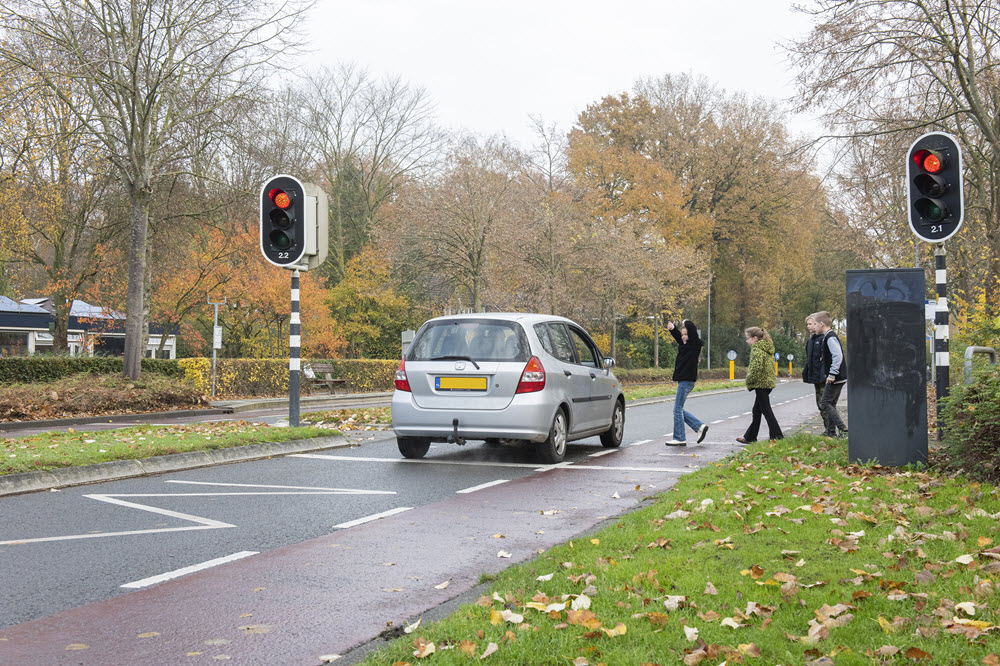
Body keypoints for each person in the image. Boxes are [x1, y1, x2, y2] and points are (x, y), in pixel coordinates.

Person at [665, 319, 708, 446]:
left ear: (692, 336)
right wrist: (673, 329)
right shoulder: (684, 345)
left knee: (677, 409)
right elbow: (679, 338)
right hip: (684, 381)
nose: (683, 337)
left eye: (686, 335)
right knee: (678, 409)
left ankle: (679, 438)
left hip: (686, 381)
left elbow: (692, 331)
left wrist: (686, 321)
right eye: (683, 334)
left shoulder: (694, 345)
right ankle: (699, 426)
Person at [736, 327, 783, 443]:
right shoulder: (768, 348)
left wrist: (749, 381)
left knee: (766, 410)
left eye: (748, 338)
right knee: (757, 410)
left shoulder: (756, 349)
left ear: (755, 338)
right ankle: (750, 437)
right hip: (768, 383)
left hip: (760, 383)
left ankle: (777, 436)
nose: (747, 341)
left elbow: (755, 368)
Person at [814, 311, 848, 438]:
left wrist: (832, 374)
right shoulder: (829, 336)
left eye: (816, 324)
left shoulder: (830, 337)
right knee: (831, 404)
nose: (814, 326)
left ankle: (843, 429)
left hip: (836, 377)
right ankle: (831, 431)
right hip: (839, 376)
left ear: (822, 324)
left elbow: (837, 356)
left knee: (825, 403)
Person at [802, 314, 827, 422]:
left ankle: (833, 429)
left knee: (825, 404)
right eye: (807, 324)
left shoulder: (824, 339)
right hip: (815, 377)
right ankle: (829, 429)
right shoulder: (811, 340)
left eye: (810, 324)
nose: (808, 326)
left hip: (823, 377)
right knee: (820, 403)